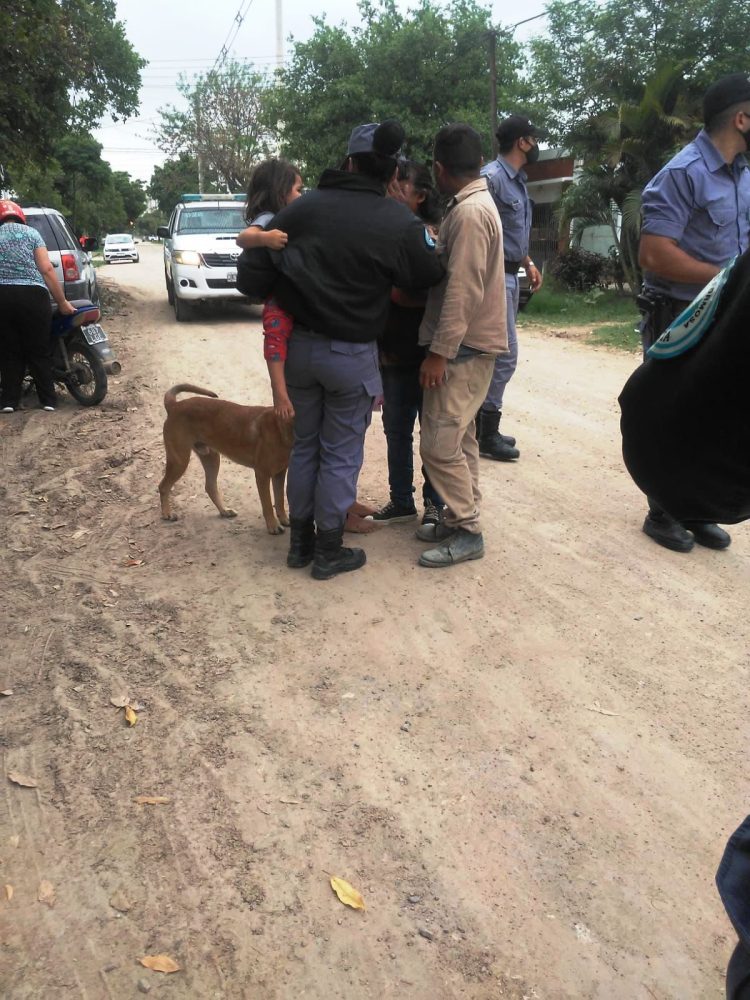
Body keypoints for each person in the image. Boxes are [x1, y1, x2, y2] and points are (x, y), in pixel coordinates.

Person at [237, 120, 445, 580]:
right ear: (392, 173)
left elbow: (249, 277)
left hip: (300, 353)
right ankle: (330, 550)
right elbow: (428, 275)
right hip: (352, 356)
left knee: (306, 445)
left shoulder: (300, 210)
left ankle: (300, 545)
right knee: (340, 453)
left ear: (348, 162)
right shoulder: (397, 221)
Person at [637, 72, 750, 553]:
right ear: (743, 118)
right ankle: (661, 510)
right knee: (673, 409)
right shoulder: (682, 174)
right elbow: (655, 254)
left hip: (727, 317)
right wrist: (726, 279)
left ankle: (695, 508)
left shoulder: (743, 173)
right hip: (681, 315)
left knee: (716, 407)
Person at [416, 123, 507, 568]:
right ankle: (459, 517)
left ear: (439, 168)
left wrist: (439, 352)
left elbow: (463, 291)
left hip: (463, 349)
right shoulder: (472, 206)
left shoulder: (470, 214)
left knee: (438, 442)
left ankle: (469, 530)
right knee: (462, 438)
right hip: (470, 347)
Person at [370, 159, 446, 528]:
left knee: (432, 433)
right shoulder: (384, 229)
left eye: (402, 184)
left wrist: (399, 295)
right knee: (395, 430)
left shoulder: (431, 234)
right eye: (392, 180)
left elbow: (440, 291)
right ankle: (401, 500)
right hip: (392, 353)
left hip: (428, 355)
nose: (393, 188)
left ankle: (435, 503)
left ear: (421, 195)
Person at [476, 114, 545, 462]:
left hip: (510, 274)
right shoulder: (492, 179)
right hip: (494, 276)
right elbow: (479, 228)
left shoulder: (516, 180)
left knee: (499, 353)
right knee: (504, 354)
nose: (536, 146)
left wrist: (528, 262)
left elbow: (511, 229)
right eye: (533, 139)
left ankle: (484, 426)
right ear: (522, 142)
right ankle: (484, 431)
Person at [236, 158, 305, 421]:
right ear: (280, 191)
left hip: (289, 288)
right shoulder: (269, 218)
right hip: (276, 295)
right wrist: (265, 237)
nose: (301, 195)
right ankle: (279, 393)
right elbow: (242, 238)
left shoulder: (295, 217)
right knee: (275, 334)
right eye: (297, 189)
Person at [0, 200, 76, 412]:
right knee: (38, 350)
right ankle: (48, 401)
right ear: (20, 216)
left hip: (2, 296)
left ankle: (8, 402)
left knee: (9, 351)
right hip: (33, 296)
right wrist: (62, 302)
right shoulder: (32, 234)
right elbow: (46, 269)